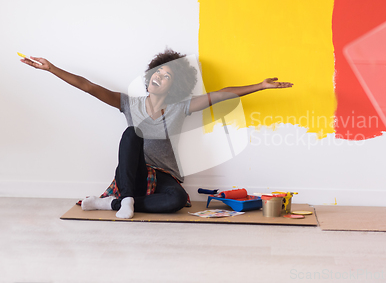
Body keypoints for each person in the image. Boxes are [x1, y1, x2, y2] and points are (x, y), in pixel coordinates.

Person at [20, 49, 293, 218]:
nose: (157, 78)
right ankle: (125, 197)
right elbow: (89, 87)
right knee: (131, 133)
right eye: (156, 72)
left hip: (164, 177)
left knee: (175, 200)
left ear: (174, 87)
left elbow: (218, 96)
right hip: (134, 175)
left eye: (166, 77)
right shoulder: (129, 103)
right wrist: (52, 68)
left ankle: (112, 204)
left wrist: (259, 85)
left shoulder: (179, 107)